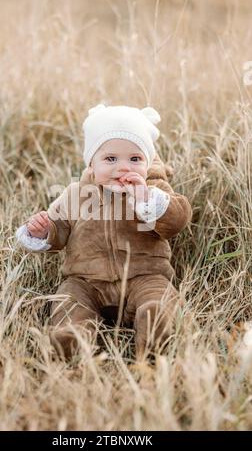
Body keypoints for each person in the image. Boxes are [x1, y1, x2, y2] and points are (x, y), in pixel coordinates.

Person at [16, 104, 192, 362]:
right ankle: (71, 339)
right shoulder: (76, 194)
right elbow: (60, 230)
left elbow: (176, 220)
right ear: (91, 163)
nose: (123, 168)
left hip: (144, 276)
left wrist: (147, 200)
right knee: (69, 301)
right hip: (86, 281)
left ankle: (156, 342)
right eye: (110, 159)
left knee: (158, 300)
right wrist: (45, 231)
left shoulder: (155, 191)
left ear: (147, 161)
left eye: (135, 159)